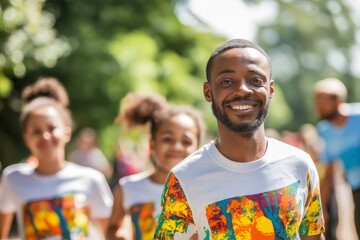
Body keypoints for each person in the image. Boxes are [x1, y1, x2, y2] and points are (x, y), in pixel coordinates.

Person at [154, 39, 325, 239]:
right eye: (227, 82)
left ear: (270, 90)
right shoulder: (184, 178)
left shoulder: (299, 164)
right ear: (208, 92)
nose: (243, 89)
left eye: (255, 80)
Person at [0, 78, 113, 239]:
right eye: (36, 131)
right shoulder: (12, 179)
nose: (45, 136)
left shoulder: (92, 180)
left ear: (67, 132)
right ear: (26, 138)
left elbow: (113, 233)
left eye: (52, 128)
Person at [106, 92, 205, 240]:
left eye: (186, 142)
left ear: (197, 147)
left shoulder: (205, 189)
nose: (177, 147)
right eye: (168, 139)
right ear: (152, 144)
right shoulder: (128, 188)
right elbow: (112, 228)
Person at [314, 77, 360, 238]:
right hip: (355, 188)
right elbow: (329, 169)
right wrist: (322, 206)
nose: (317, 107)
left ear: (337, 100)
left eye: (321, 101)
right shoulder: (324, 130)